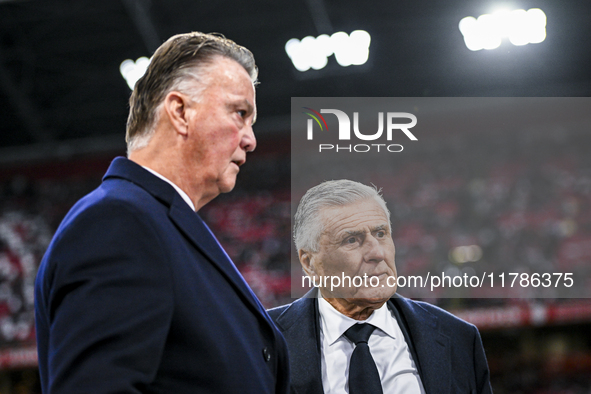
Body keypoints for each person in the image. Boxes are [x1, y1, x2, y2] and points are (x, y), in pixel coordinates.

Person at [35, 32, 290, 394]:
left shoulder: (154, 225)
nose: (250, 139)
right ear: (181, 112)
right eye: (239, 113)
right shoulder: (118, 222)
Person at [268, 179, 492, 394]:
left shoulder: (459, 337)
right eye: (351, 240)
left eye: (381, 234)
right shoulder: (263, 339)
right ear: (309, 263)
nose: (377, 252)